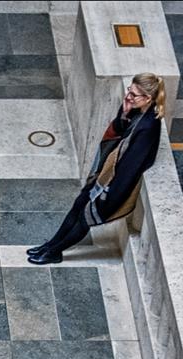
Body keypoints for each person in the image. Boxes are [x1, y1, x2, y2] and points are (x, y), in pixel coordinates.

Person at [28, 72, 165, 265]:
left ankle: (55, 252)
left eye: (133, 95)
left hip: (114, 185)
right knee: (78, 205)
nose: (128, 97)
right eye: (129, 91)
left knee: (86, 219)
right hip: (105, 173)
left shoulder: (149, 126)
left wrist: (109, 195)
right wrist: (124, 113)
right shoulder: (135, 108)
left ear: (148, 98)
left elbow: (130, 169)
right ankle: (50, 246)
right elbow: (118, 130)